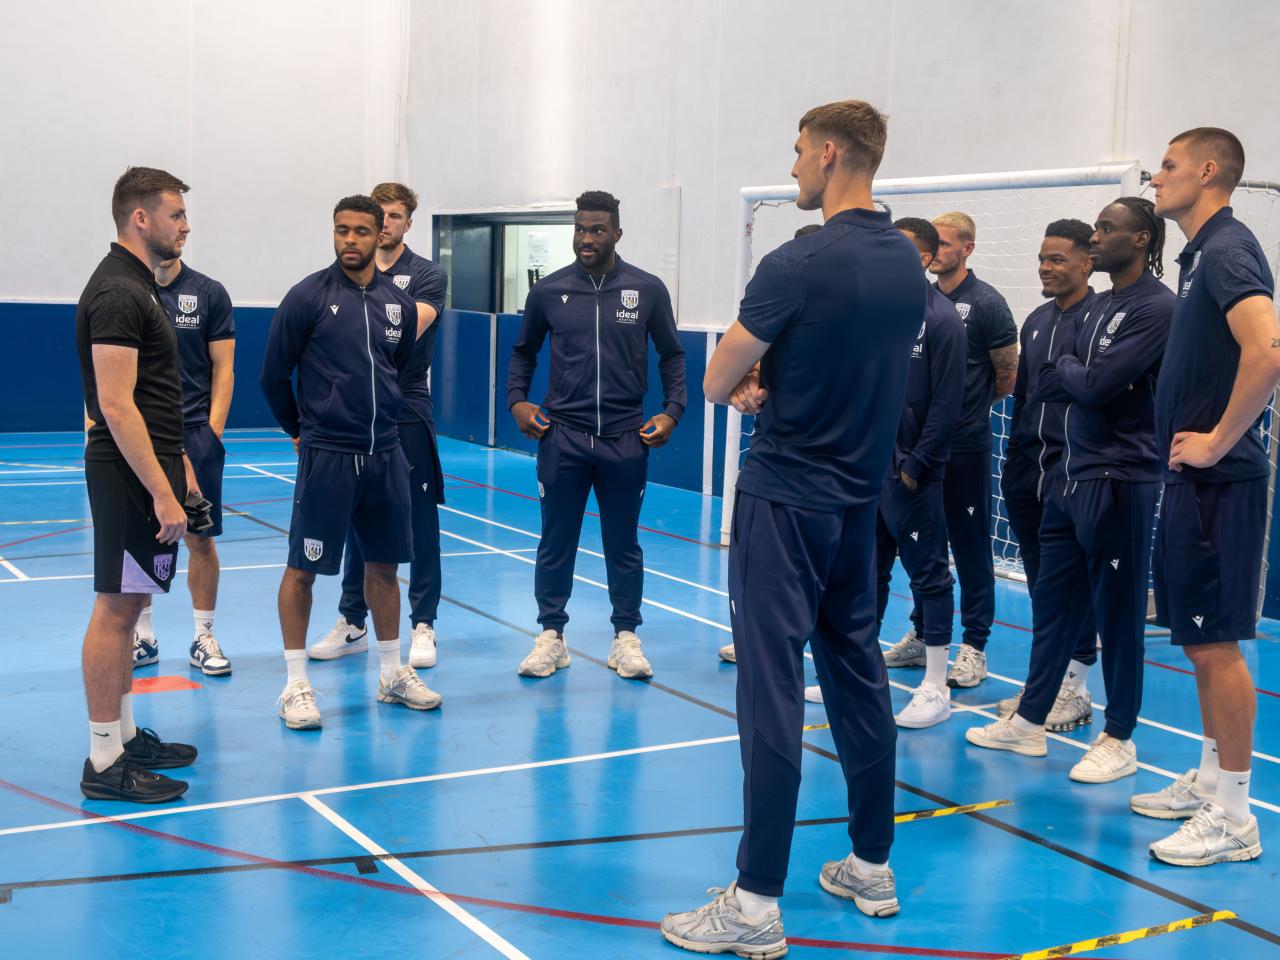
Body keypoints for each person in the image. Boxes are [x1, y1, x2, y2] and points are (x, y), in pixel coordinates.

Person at [661, 100, 925, 957]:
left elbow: (715, 376)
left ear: (828, 151)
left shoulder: (797, 260)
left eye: (798, 154)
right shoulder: (906, 263)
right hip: (859, 504)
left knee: (769, 689)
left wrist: (744, 381)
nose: (792, 171)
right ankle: (870, 862)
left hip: (785, 500)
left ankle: (755, 902)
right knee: (857, 674)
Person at [967, 197, 1173, 786]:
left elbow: (1094, 383)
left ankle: (1120, 736)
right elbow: (1062, 382)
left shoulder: (1158, 307)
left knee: (1120, 614)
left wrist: (1073, 372)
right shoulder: (1096, 306)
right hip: (1065, 475)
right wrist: (1075, 375)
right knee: (1053, 606)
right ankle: (1030, 720)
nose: (1097, 236)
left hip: (1119, 479)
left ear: (1139, 240)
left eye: (1107, 229)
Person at [1139, 128, 1280, 865]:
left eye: (1167, 166)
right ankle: (1206, 779)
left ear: (1209, 170)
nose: (1155, 178)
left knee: (1217, 645)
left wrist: (1219, 441)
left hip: (1219, 480)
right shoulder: (1200, 256)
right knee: (1198, 642)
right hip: (1192, 480)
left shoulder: (1227, 249)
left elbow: (1269, 351)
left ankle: (1235, 814)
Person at [260, 195, 440, 729]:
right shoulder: (306, 297)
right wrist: (301, 430)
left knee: (384, 568)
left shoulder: (397, 305)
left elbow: (402, 368)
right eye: (342, 231)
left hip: (385, 455)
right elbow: (273, 377)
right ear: (333, 233)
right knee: (303, 570)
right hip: (328, 457)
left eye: (362, 231)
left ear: (380, 233)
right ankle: (295, 685)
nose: (351, 241)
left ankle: (391, 672)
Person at [506, 191, 686, 681]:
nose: (587, 239)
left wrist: (673, 411)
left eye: (598, 230)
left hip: (627, 440)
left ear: (617, 234)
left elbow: (672, 355)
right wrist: (518, 401)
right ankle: (551, 636)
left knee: (623, 543)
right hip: (562, 437)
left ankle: (625, 636)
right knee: (555, 540)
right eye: (581, 229)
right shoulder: (549, 291)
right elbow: (523, 352)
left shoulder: (646, 289)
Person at [76, 167, 201, 802]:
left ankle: (122, 737)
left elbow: (150, 401)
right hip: (126, 475)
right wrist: (159, 489)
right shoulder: (120, 293)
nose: (185, 224)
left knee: (129, 611)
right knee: (117, 608)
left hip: (146, 466)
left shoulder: (139, 287)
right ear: (140, 219)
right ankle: (104, 761)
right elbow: (117, 405)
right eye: (175, 214)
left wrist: (179, 467)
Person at [308, 182, 448, 670]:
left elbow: (405, 330)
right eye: (379, 215)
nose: (385, 223)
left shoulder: (427, 275)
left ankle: (423, 623)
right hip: (351, 413)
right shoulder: (340, 279)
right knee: (356, 519)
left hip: (405, 407)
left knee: (420, 520)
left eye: (394, 216)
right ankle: (353, 620)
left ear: (408, 222)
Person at [883, 212, 1017, 689]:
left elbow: (1007, 375)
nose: (938, 250)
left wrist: (965, 410)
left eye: (946, 243)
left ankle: (974, 645)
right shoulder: (908, 302)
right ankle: (922, 633)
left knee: (971, 546)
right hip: (913, 452)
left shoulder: (985, 304)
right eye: (932, 243)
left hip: (962, 448)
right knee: (921, 548)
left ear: (968, 248)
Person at [995, 221, 1099, 730]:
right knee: (1042, 584)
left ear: (1086, 262)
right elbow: (1024, 397)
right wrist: (1016, 459)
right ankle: (1048, 683)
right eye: (1042, 258)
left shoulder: (1101, 319)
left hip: (1074, 474)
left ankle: (1076, 688)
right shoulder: (1035, 320)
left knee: (1073, 585)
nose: (1046, 267)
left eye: (1057, 258)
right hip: (1027, 471)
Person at [872, 218, 966, 728]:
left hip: (913, 476)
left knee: (929, 574)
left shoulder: (944, 320)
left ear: (928, 259)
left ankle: (934, 685)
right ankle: (862, 672)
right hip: (868, 472)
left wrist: (914, 468)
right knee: (868, 572)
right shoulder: (874, 314)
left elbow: (948, 404)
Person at [129, 255, 236, 676]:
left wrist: (212, 433)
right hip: (142, 433)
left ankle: (203, 635)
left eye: (181, 220)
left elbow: (223, 368)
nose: (179, 228)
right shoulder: (130, 290)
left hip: (195, 432)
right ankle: (143, 637)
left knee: (200, 538)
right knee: (140, 537)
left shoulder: (209, 293)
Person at [722, 221, 821, 668]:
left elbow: (711, 382)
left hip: (831, 475)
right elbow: (737, 373)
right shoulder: (779, 314)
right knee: (771, 579)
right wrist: (748, 381)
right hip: (779, 464)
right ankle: (766, 641)